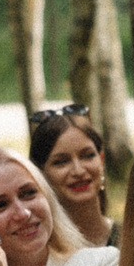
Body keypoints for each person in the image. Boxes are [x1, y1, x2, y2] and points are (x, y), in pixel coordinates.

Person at [30, 105, 113, 248]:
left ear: (101, 160)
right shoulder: (36, 252)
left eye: (88, 156)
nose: (78, 171)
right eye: (61, 162)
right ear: (40, 173)